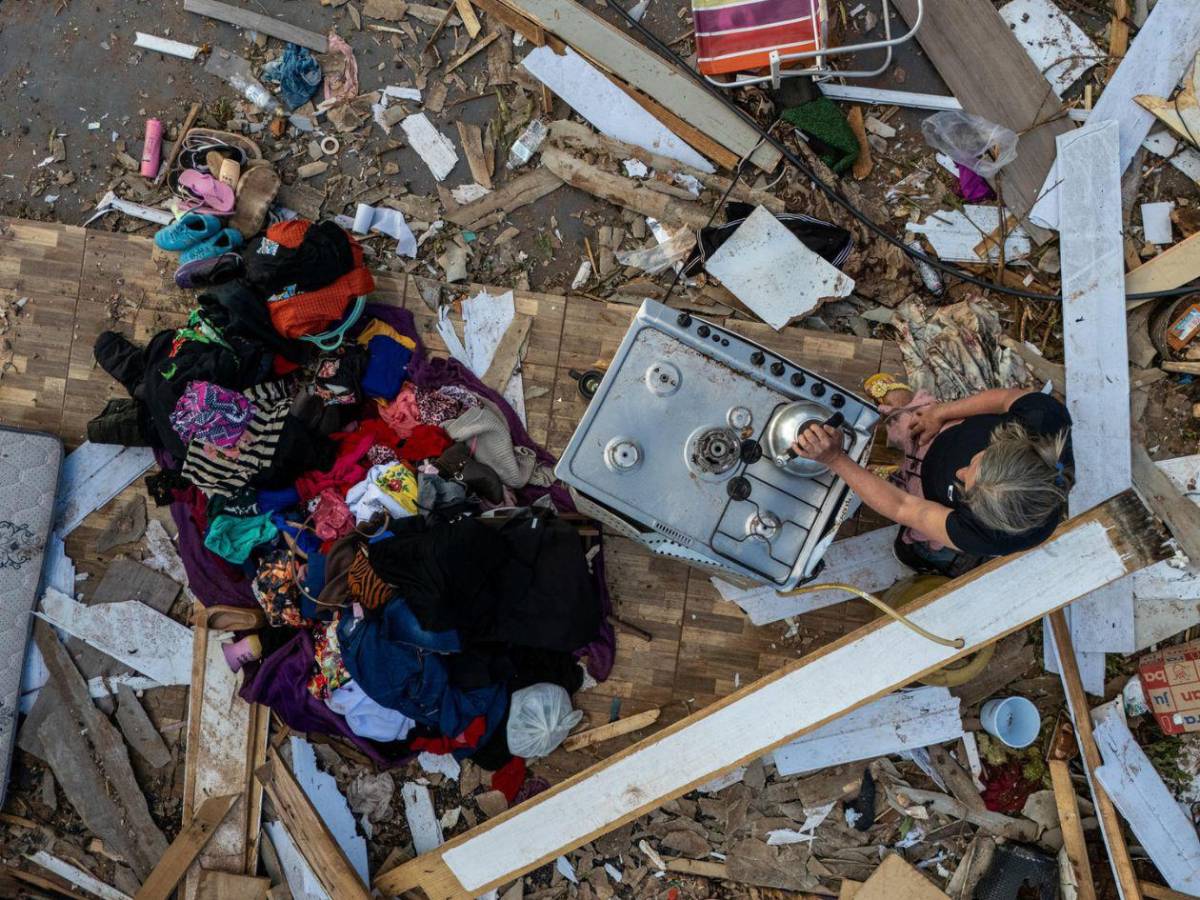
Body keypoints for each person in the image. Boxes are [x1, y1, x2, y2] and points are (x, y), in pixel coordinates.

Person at [792, 375, 1074, 575]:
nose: (959, 472)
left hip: (928, 494)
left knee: (922, 533)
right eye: (976, 461)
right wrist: (939, 413)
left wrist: (835, 459)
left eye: (966, 486)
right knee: (910, 416)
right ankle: (905, 413)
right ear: (1011, 441)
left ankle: (907, 501)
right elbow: (1004, 400)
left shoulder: (990, 535)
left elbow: (904, 506)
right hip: (943, 431)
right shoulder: (1046, 421)